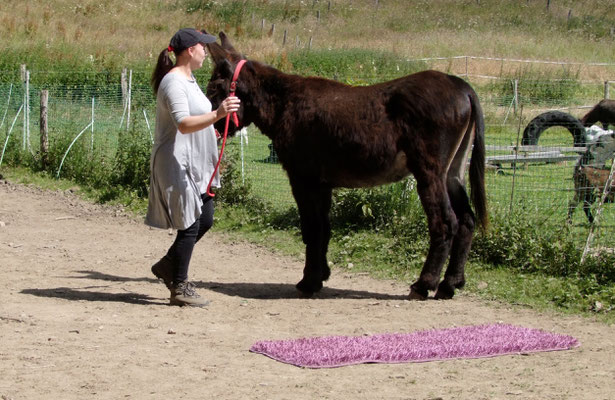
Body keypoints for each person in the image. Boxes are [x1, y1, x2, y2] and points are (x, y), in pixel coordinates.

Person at [145, 28, 240, 307]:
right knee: (191, 223)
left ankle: (167, 265)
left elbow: (196, 120)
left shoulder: (189, 79)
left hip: (195, 161)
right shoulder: (174, 83)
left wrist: (212, 128)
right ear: (190, 50)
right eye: (203, 47)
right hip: (177, 161)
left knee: (205, 218)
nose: (205, 52)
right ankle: (180, 286)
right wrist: (218, 113)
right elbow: (183, 124)